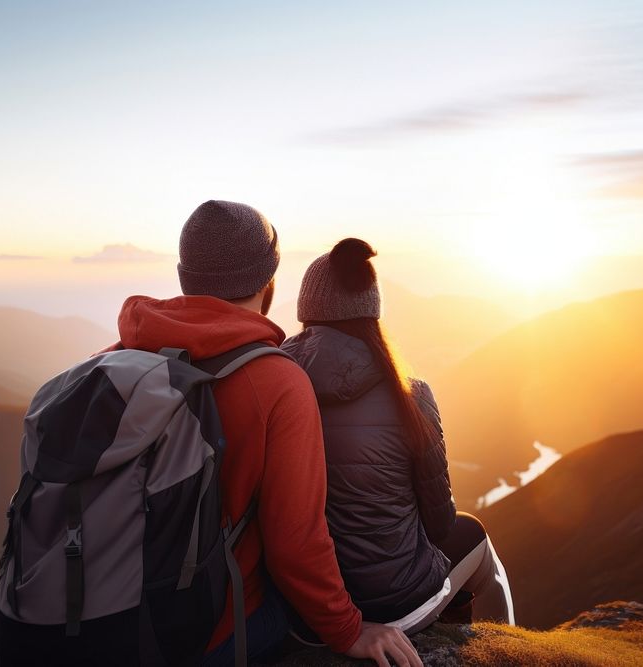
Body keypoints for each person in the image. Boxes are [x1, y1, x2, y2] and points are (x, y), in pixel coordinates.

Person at [110, 203, 421, 666]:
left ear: (185, 277)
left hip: (95, 619)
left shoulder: (115, 359)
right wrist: (349, 630)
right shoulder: (277, 381)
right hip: (203, 635)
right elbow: (295, 544)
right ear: (268, 281)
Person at [281, 238, 515, 634]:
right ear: (372, 311)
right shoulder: (411, 394)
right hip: (391, 603)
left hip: (306, 604)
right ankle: (505, 646)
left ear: (307, 309)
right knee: (474, 537)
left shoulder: (277, 380)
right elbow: (439, 523)